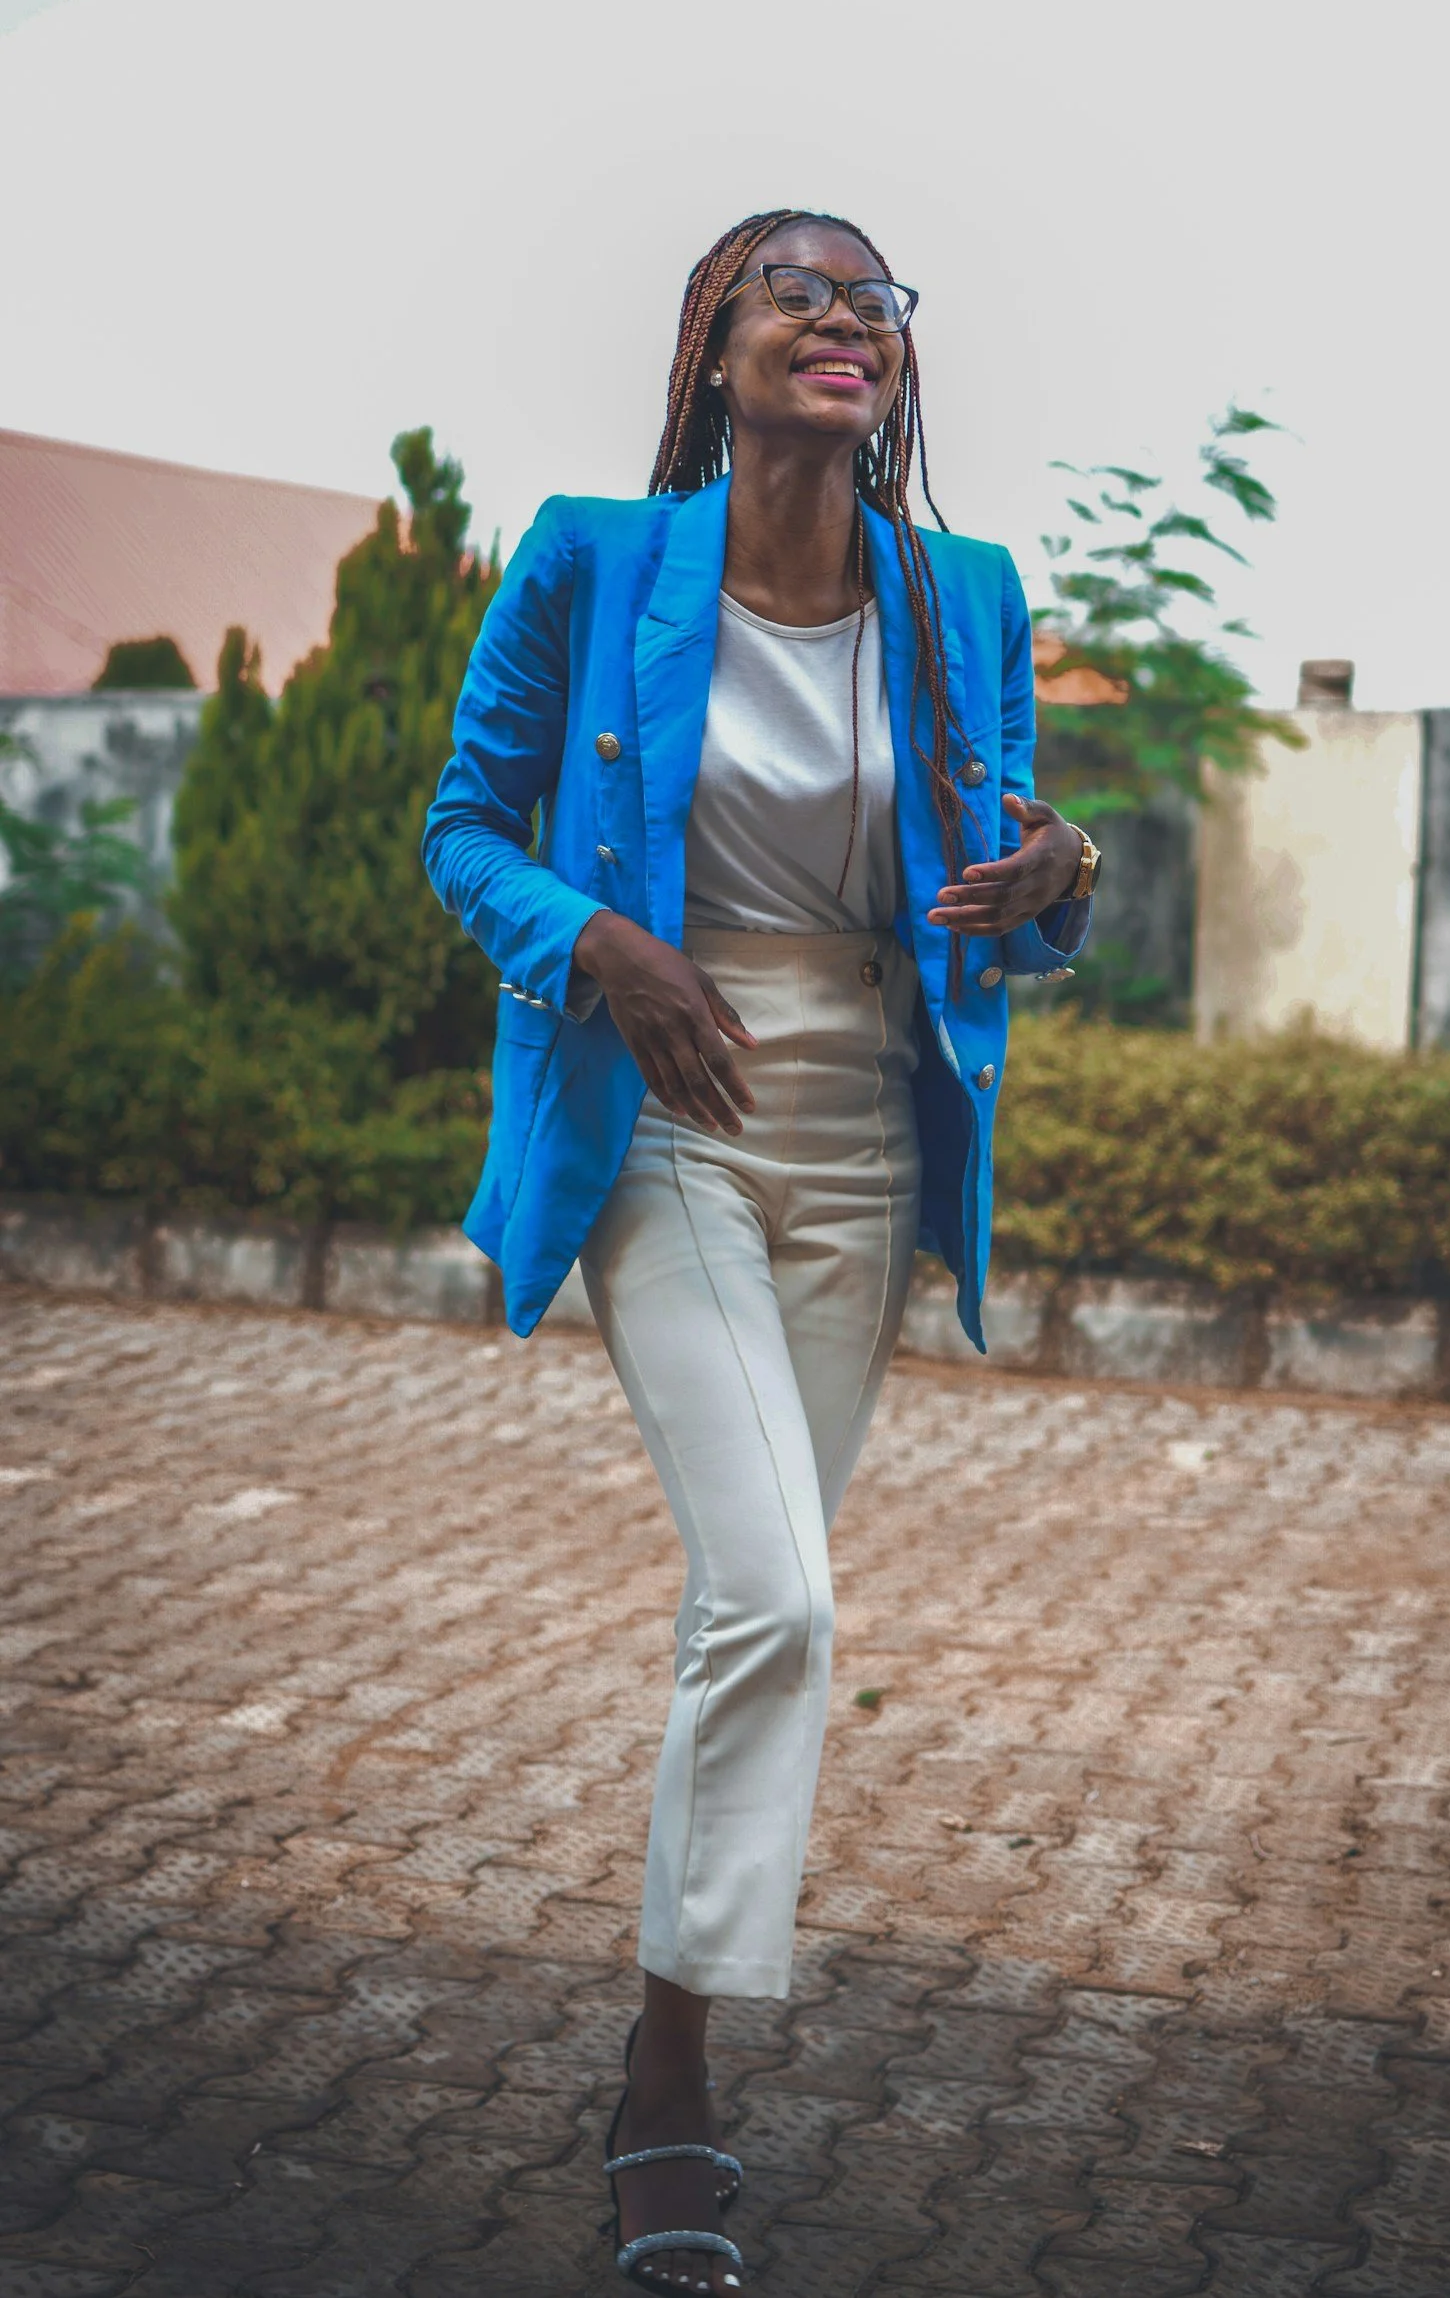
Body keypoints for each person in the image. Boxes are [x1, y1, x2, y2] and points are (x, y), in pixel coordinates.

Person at [424, 208, 1100, 2293]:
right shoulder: (590, 561)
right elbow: (466, 828)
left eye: (875, 294)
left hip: (859, 1140)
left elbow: (1007, 880)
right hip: (666, 1119)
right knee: (783, 1592)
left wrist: (1058, 869)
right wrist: (599, 942)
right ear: (712, 345)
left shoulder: (952, 588)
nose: (846, 313)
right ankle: (671, 2084)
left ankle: (661, 2056)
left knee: (755, 1608)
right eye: (797, 286)